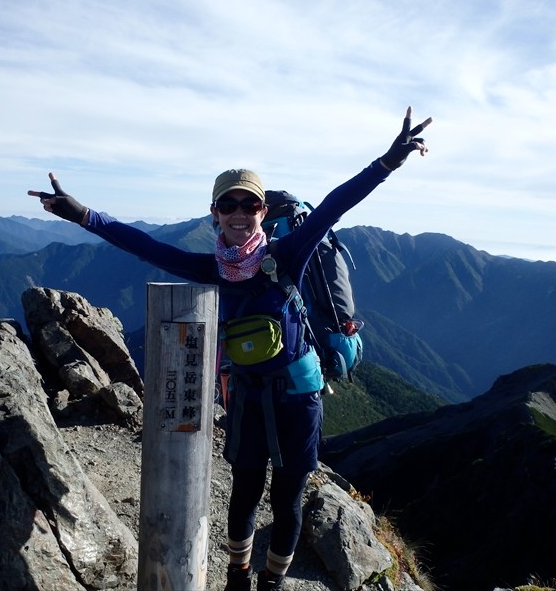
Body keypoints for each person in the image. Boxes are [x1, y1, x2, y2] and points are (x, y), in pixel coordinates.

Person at [28, 107, 432, 591]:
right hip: (244, 396)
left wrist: (387, 162)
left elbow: (334, 206)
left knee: (287, 498)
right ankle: (237, 575)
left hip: (297, 399)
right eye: (230, 205)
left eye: (250, 205)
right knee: (243, 492)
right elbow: (143, 245)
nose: (241, 213)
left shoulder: (288, 255)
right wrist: (82, 214)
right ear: (215, 213)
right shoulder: (212, 268)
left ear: (264, 212)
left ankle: (271, 583)